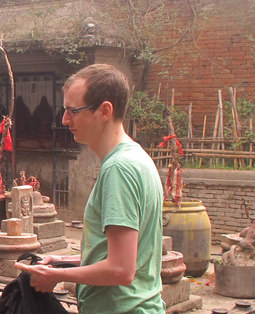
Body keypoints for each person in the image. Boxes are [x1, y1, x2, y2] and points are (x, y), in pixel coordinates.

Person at [15, 64, 164, 314]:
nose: (64, 120)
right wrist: (62, 264)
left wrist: (54, 278)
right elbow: (126, 256)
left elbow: (121, 270)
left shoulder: (119, 169)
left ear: (105, 111)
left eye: (73, 111)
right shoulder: (137, 158)